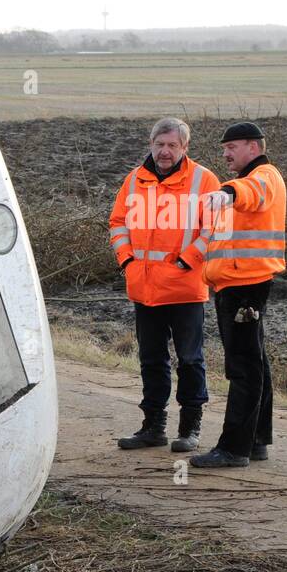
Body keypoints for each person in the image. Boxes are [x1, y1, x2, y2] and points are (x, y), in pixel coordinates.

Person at [108, 117, 220, 452]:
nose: (165, 151)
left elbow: (214, 229)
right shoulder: (134, 180)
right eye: (160, 144)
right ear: (151, 144)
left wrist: (188, 260)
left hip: (185, 289)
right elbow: (117, 222)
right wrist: (126, 260)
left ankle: (190, 429)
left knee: (190, 359)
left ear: (185, 147)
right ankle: (153, 428)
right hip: (144, 289)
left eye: (172, 145)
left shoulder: (204, 180)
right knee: (151, 360)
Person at [190, 121, 287, 469]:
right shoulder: (251, 179)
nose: (226, 154)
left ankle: (233, 448)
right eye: (224, 149)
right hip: (238, 283)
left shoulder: (264, 176)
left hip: (246, 285)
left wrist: (227, 193)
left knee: (243, 367)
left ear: (252, 146)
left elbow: (252, 192)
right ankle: (256, 440)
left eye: (231, 147)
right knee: (255, 361)